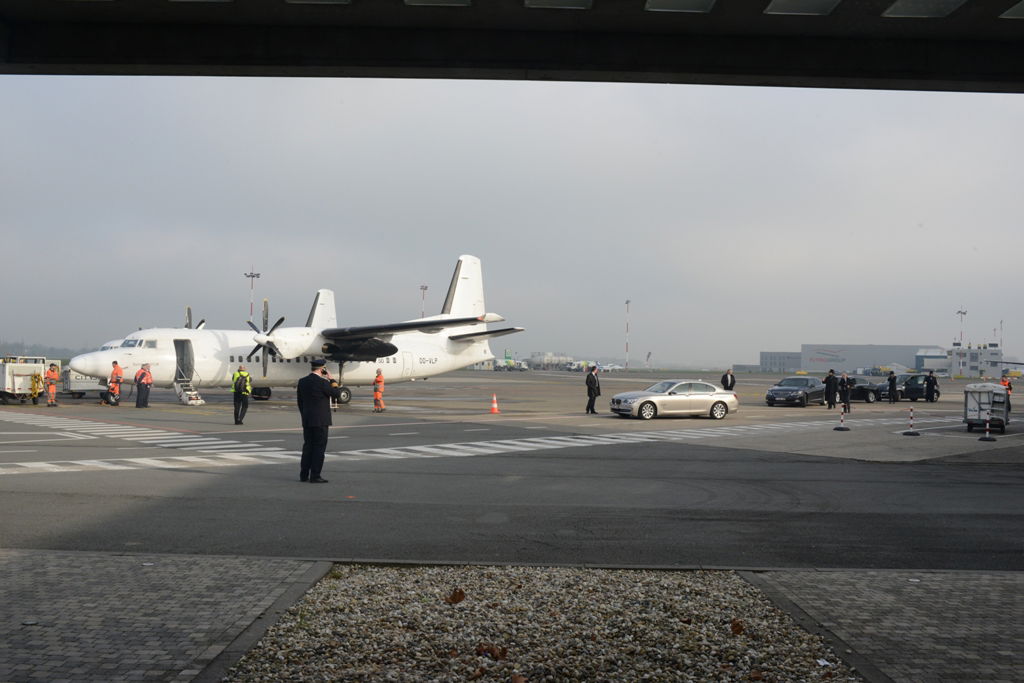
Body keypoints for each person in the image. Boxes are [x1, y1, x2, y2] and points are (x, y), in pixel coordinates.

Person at [296, 358, 341, 483]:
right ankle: (315, 475)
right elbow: (336, 393)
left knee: (307, 447)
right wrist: (332, 379)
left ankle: (303, 475)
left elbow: (300, 402)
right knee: (319, 448)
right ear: (322, 369)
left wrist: (304, 415)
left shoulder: (302, 382)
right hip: (321, 420)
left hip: (307, 419)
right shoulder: (323, 383)